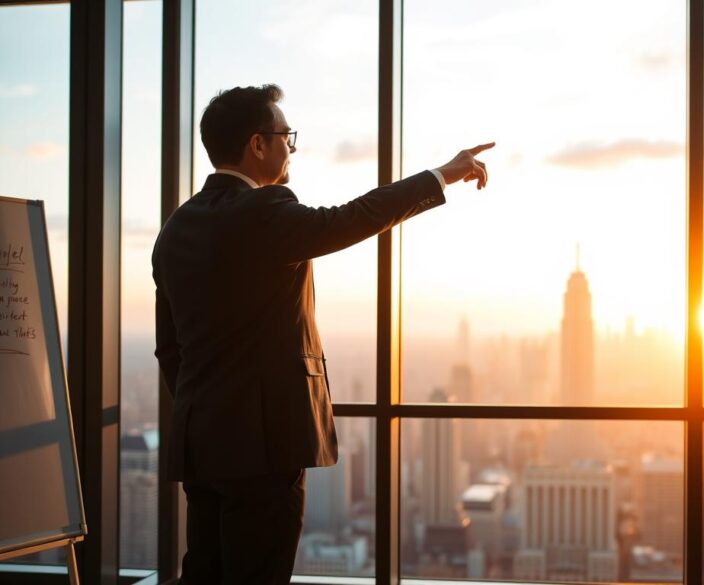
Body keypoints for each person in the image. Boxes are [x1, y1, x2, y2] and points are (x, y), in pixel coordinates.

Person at [152, 84, 493, 584]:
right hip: (264, 445)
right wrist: (442, 175)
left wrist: (202, 407)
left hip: (200, 442)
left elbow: (169, 347)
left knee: (204, 572)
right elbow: (354, 217)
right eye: (286, 136)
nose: (291, 147)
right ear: (257, 144)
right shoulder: (263, 212)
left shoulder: (174, 229)